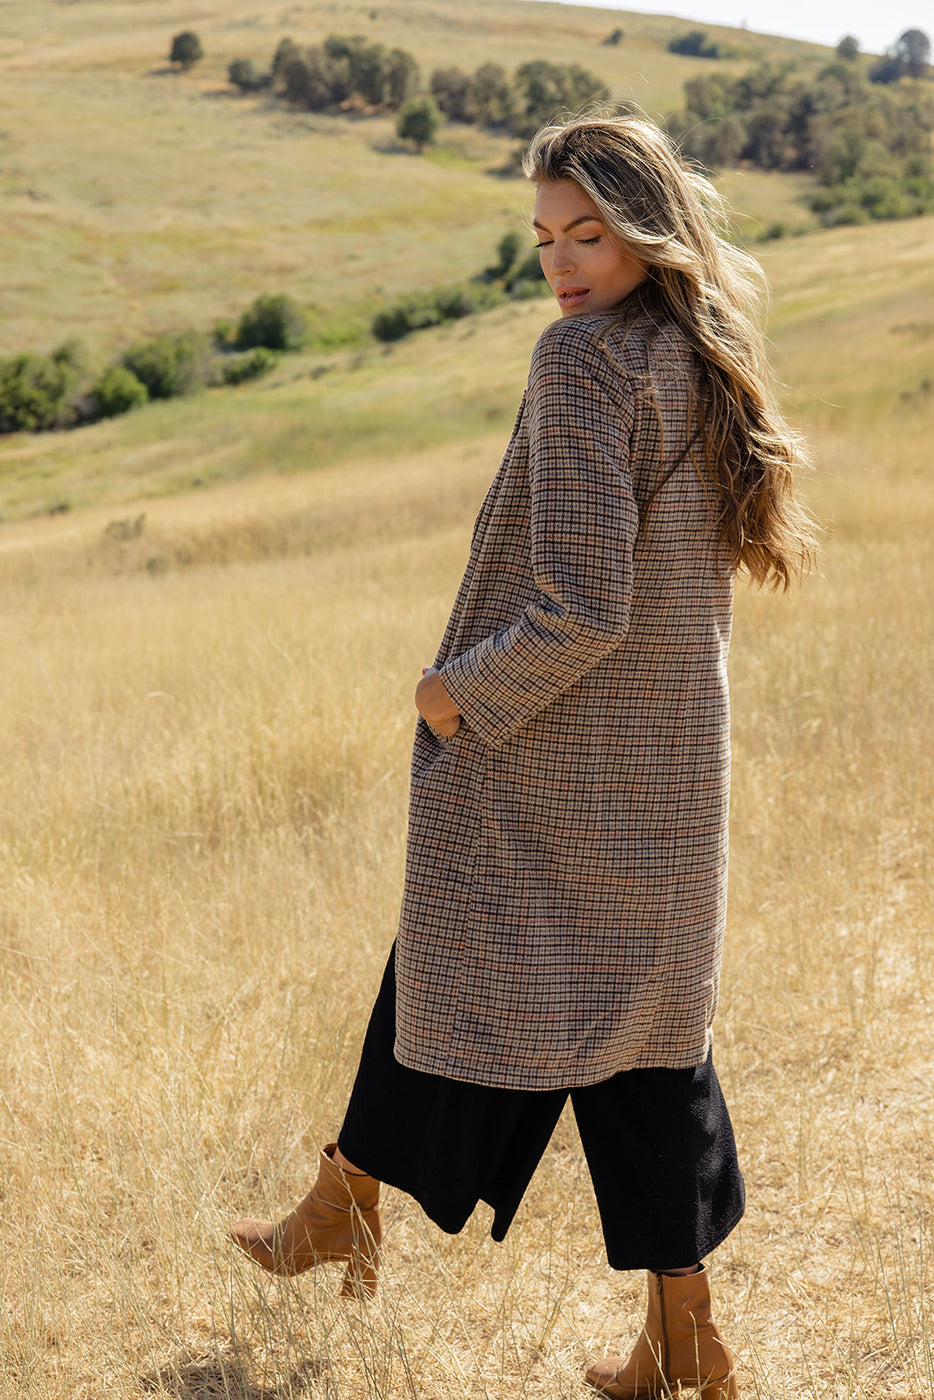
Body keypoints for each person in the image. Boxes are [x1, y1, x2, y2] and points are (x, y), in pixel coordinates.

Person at [229, 114, 816, 1400]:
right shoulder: (699, 353)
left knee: (466, 954)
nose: (559, 262)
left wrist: (452, 694)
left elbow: (583, 607)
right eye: (543, 237)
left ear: (644, 225)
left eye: (586, 233)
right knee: (648, 1042)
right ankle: (682, 1334)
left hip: (551, 751)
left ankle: (349, 1198)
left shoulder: (584, 365)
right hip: (666, 779)